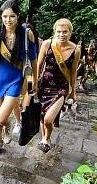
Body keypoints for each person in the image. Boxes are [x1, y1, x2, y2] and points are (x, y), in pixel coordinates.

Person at [0, 0, 38, 157]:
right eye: (5, 16)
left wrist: (34, 80)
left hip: (16, 79)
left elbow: (33, 59)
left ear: (18, 16)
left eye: (12, 16)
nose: (8, 20)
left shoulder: (26, 34)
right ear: (1, 17)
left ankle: (8, 126)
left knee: (2, 117)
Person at [34, 19, 80, 152]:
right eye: (59, 32)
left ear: (70, 32)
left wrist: (73, 92)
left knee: (48, 119)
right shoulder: (47, 44)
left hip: (61, 88)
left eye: (65, 32)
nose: (62, 34)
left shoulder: (75, 50)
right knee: (43, 116)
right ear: (54, 32)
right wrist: (35, 83)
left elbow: (73, 73)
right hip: (44, 85)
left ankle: (46, 138)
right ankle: (44, 137)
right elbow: (39, 64)